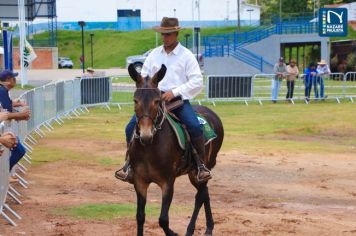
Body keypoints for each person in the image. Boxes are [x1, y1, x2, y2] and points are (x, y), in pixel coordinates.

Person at [115, 17, 211, 183]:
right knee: (130, 127)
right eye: (163, 34)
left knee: (194, 127)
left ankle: (200, 166)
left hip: (177, 102)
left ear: (176, 34)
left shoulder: (186, 56)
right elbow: (144, 77)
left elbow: (197, 81)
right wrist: (147, 90)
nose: (165, 38)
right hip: (153, 102)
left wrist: (174, 92)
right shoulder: (154, 54)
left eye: (168, 34)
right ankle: (129, 165)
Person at [0, 70, 30, 171]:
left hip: (5, 128)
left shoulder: (3, 91)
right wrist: (20, 115)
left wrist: (18, 112)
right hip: (3, 129)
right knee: (19, 151)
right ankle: (5, 174)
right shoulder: (2, 91)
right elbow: (5, 113)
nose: (15, 80)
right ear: (8, 80)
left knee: (18, 151)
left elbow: (6, 109)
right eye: (14, 78)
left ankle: (5, 175)